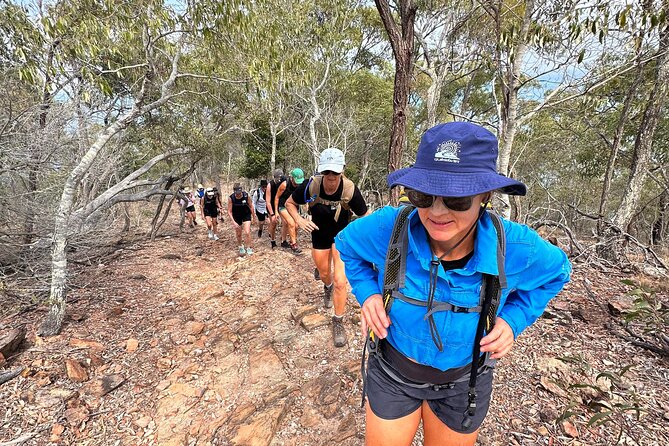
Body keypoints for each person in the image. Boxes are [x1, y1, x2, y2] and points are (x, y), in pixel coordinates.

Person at [335, 122, 571, 446]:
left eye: (456, 199)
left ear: (485, 196)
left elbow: (557, 273)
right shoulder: (391, 228)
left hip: (463, 383)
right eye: (422, 195)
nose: (436, 211)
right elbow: (346, 245)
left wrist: (513, 320)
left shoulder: (516, 248)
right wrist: (369, 295)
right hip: (393, 372)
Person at [286, 148, 369, 347]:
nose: (331, 177)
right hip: (319, 235)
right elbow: (290, 202)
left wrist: (357, 234)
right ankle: (327, 286)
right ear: (321, 171)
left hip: (342, 237)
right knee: (325, 273)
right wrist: (298, 219)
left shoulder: (350, 189)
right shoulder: (311, 185)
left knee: (341, 281)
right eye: (327, 172)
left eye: (335, 173)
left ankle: (338, 321)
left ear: (342, 171)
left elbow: (364, 215)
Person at [274, 168, 304, 254]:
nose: (296, 184)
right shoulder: (284, 185)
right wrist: (276, 212)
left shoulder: (300, 185)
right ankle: (294, 244)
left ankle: (284, 241)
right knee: (291, 223)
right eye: (295, 181)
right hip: (282, 206)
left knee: (295, 225)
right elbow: (276, 197)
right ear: (291, 178)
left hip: (293, 206)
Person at [228, 183, 256, 255]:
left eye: (240, 193)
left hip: (246, 214)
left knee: (247, 232)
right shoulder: (231, 198)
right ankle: (240, 246)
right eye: (237, 193)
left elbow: (251, 206)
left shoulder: (246, 196)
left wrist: (254, 217)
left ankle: (249, 247)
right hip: (236, 216)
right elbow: (229, 211)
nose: (238, 195)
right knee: (239, 233)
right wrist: (233, 222)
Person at [266, 169, 289, 249]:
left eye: (280, 178)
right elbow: (268, 202)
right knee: (274, 223)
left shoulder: (284, 182)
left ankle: (284, 241)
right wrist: (272, 214)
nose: (279, 179)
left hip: (280, 204)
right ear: (274, 177)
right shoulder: (270, 185)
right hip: (271, 205)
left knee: (285, 222)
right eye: (277, 178)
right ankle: (272, 240)